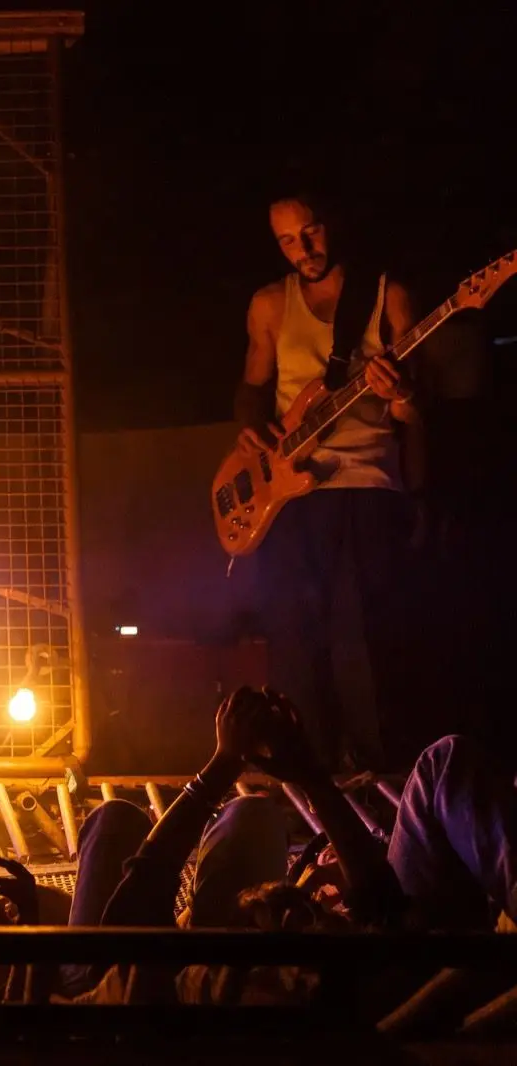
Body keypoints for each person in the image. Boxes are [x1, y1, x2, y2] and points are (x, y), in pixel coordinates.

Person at [233, 191, 423, 771]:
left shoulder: (387, 295)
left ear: (332, 224)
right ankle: (307, 773)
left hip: (368, 480)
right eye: (288, 240)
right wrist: (251, 431)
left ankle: (385, 777)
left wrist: (401, 392)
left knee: (371, 637)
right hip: (292, 490)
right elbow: (253, 387)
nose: (304, 249)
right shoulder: (270, 304)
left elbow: (412, 414)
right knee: (294, 636)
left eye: (311, 232)